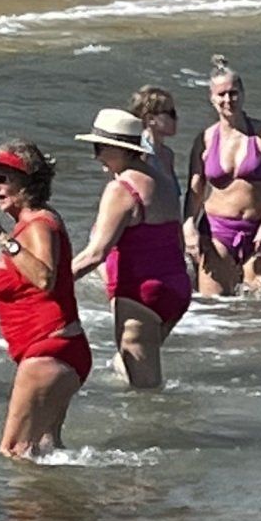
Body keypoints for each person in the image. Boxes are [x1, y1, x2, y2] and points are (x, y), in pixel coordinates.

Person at [0, 142, 92, 459]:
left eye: (3, 178)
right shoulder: (32, 223)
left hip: (49, 350)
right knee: (45, 452)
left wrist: (0, 236)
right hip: (58, 349)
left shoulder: (38, 223)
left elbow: (44, 277)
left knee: (13, 451)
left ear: (27, 182)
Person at [68, 106, 192, 388]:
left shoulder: (121, 189)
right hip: (175, 288)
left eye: (99, 147)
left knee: (147, 396)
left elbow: (95, 254)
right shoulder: (162, 181)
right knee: (128, 367)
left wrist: (50, 284)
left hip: (140, 295)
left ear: (120, 149)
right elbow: (175, 240)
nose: (95, 156)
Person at [187, 57, 261, 294]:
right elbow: (195, 192)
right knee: (214, 309)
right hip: (216, 232)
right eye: (221, 94)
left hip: (259, 231)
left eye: (233, 93)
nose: (227, 99)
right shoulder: (204, 140)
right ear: (212, 98)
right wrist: (188, 226)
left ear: (242, 94)